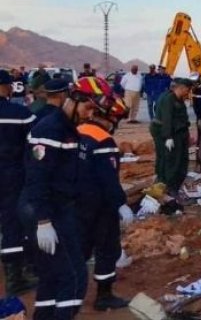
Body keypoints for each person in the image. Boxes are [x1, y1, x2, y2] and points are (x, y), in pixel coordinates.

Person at [19, 77, 108, 320]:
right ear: (74, 100)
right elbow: (37, 178)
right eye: (88, 107)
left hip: (59, 209)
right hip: (45, 209)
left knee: (50, 274)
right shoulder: (49, 130)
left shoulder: (69, 131)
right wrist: (43, 221)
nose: (90, 114)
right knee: (73, 275)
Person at [76, 92, 133, 311]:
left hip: (77, 204)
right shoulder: (104, 140)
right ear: (110, 117)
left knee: (80, 248)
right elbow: (108, 179)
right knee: (107, 248)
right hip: (100, 206)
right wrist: (120, 203)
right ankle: (104, 295)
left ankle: (73, 290)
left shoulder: (78, 132)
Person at [0, 70, 39, 295]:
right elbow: (34, 147)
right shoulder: (20, 113)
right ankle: (15, 278)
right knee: (12, 223)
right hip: (12, 176)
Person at [150, 77, 193, 196]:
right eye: (187, 90)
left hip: (177, 132)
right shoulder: (169, 99)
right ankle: (168, 185)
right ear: (181, 88)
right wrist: (168, 137)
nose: (188, 93)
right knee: (171, 159)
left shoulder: (178, 99)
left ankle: (168, 184)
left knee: (176, 158)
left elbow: (181, 118)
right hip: (166, 132)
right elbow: (167, 118)